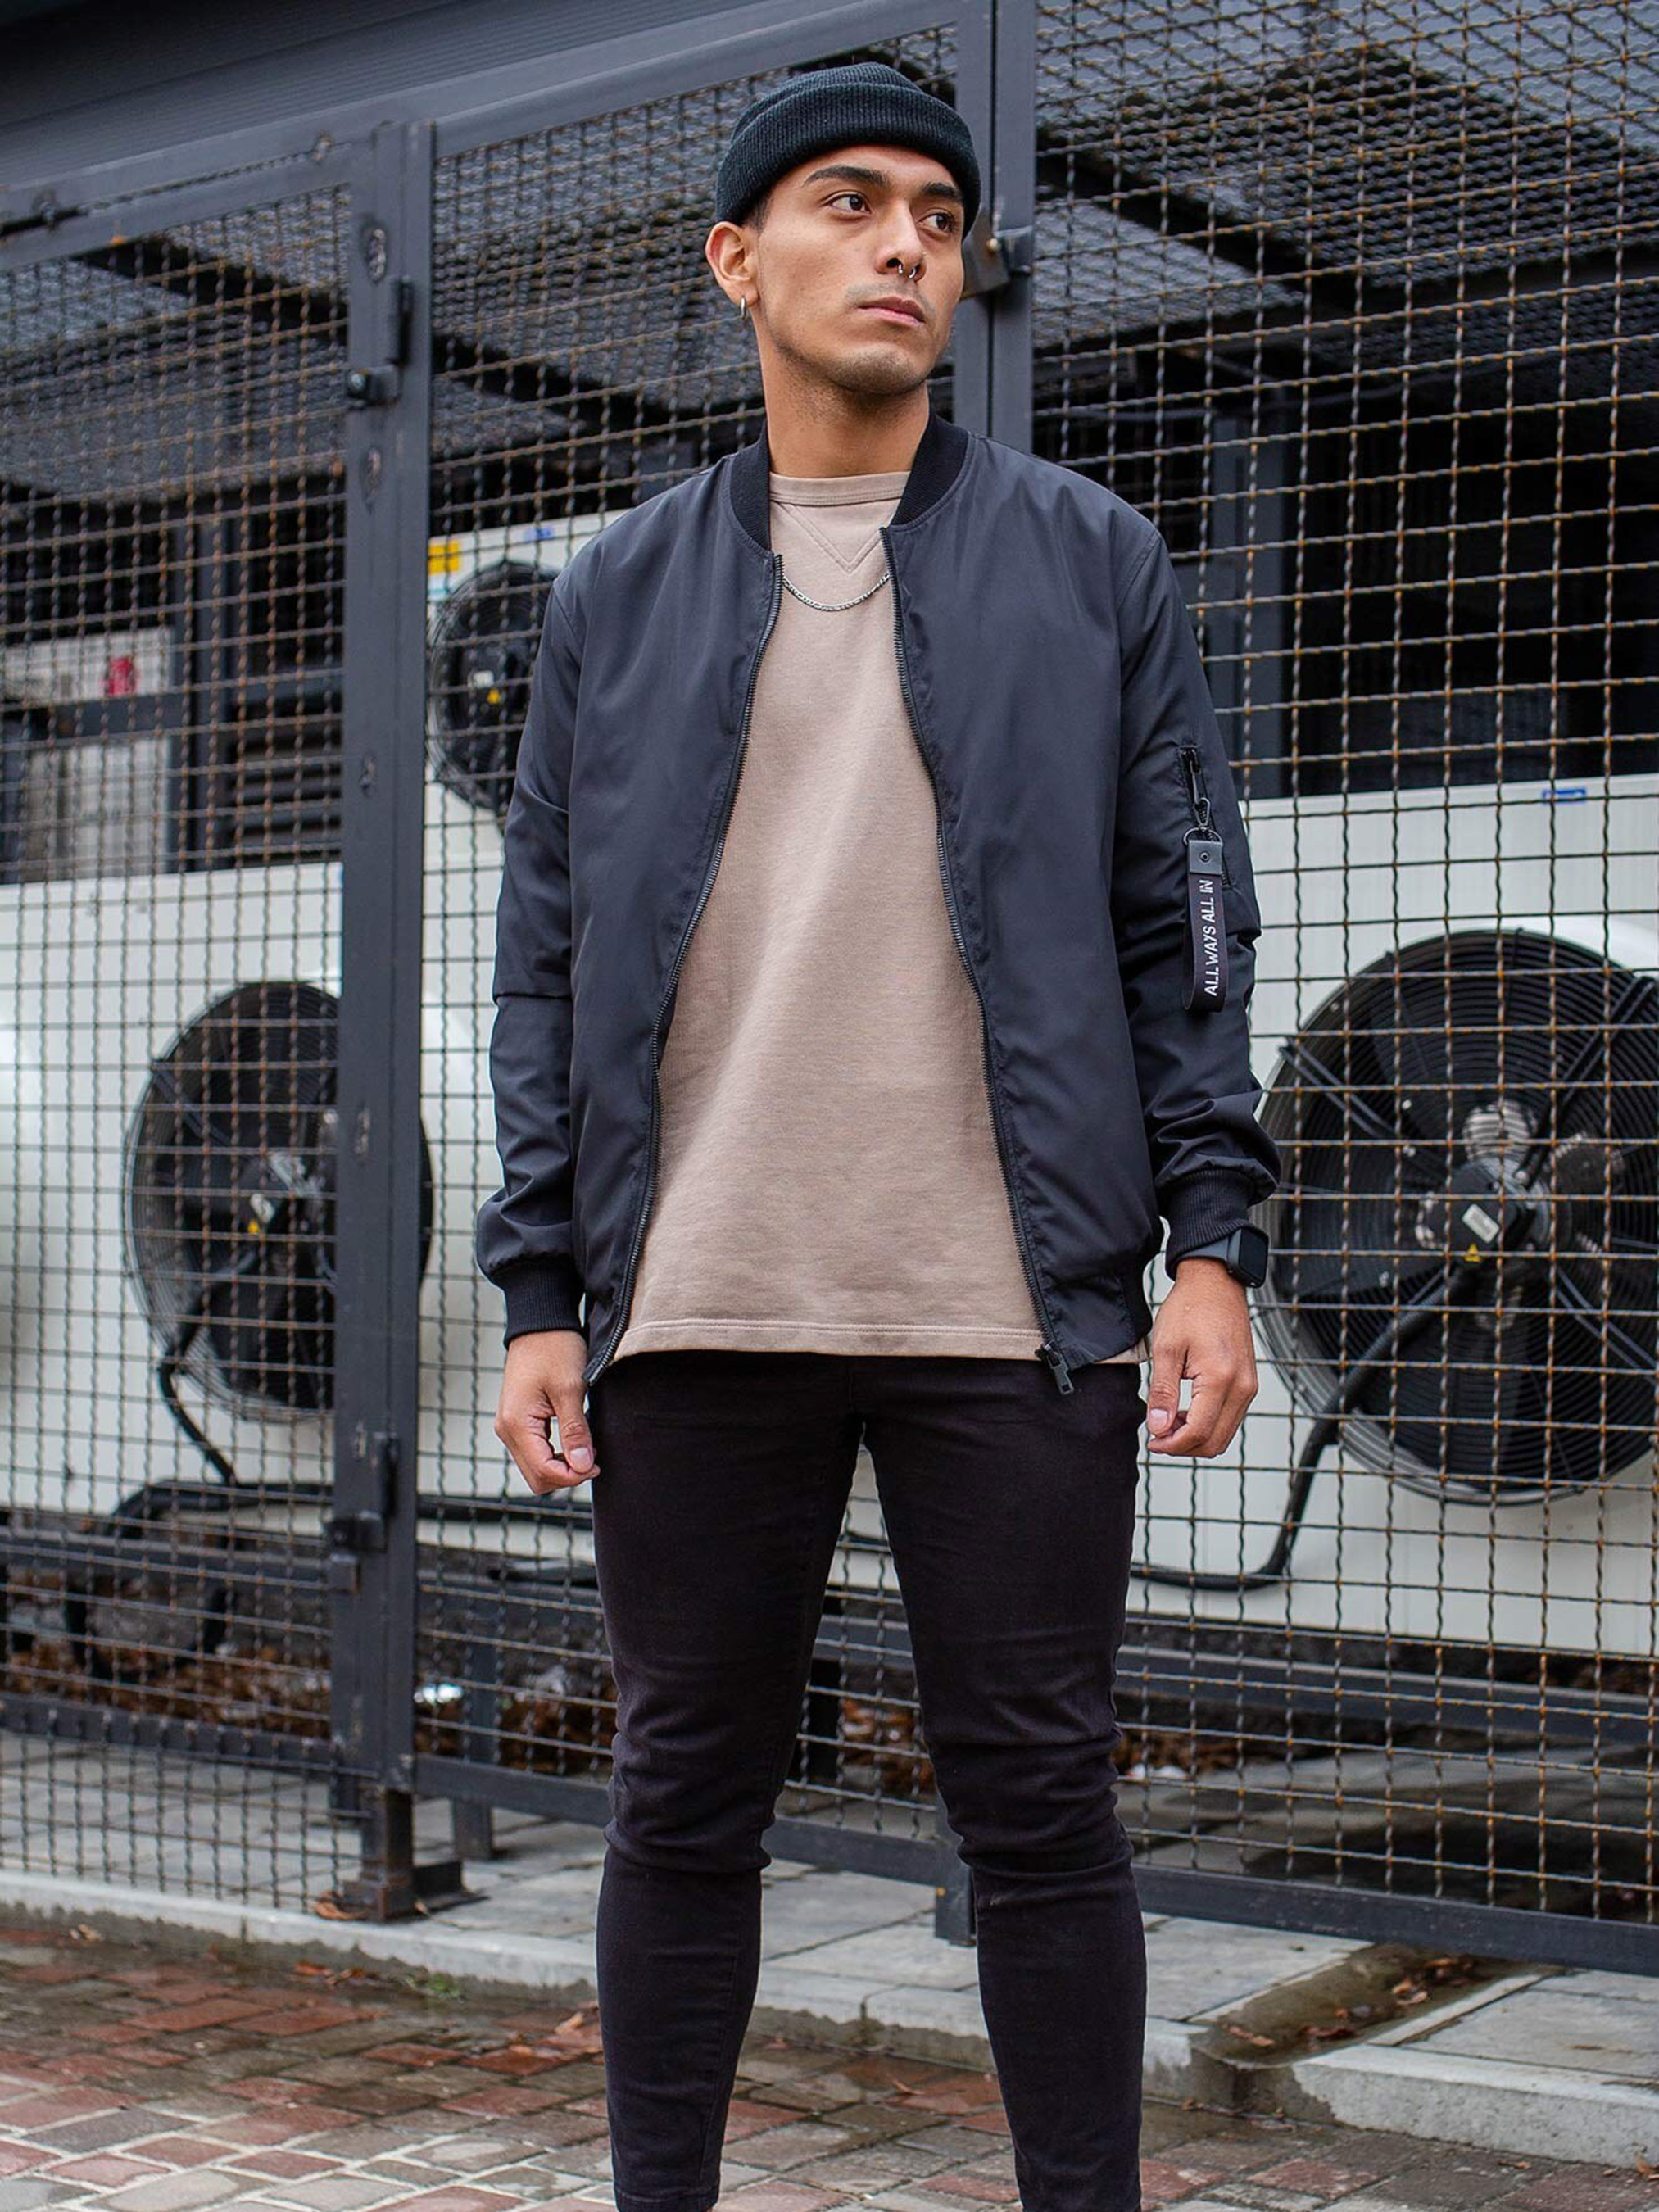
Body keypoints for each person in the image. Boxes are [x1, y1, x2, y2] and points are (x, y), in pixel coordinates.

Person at [477, 59, 1281, 2212]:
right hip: (696, 1293)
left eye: (936, 211)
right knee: (682, 1797)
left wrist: (1211, 1241)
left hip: (1010, 1303)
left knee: (1040, 1804)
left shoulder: (1090, 560)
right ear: (737, 261)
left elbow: (1188, 927)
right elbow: (544, 959)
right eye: (848, 203)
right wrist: (540, 1285)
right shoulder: (614, 592)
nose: (906, 243)